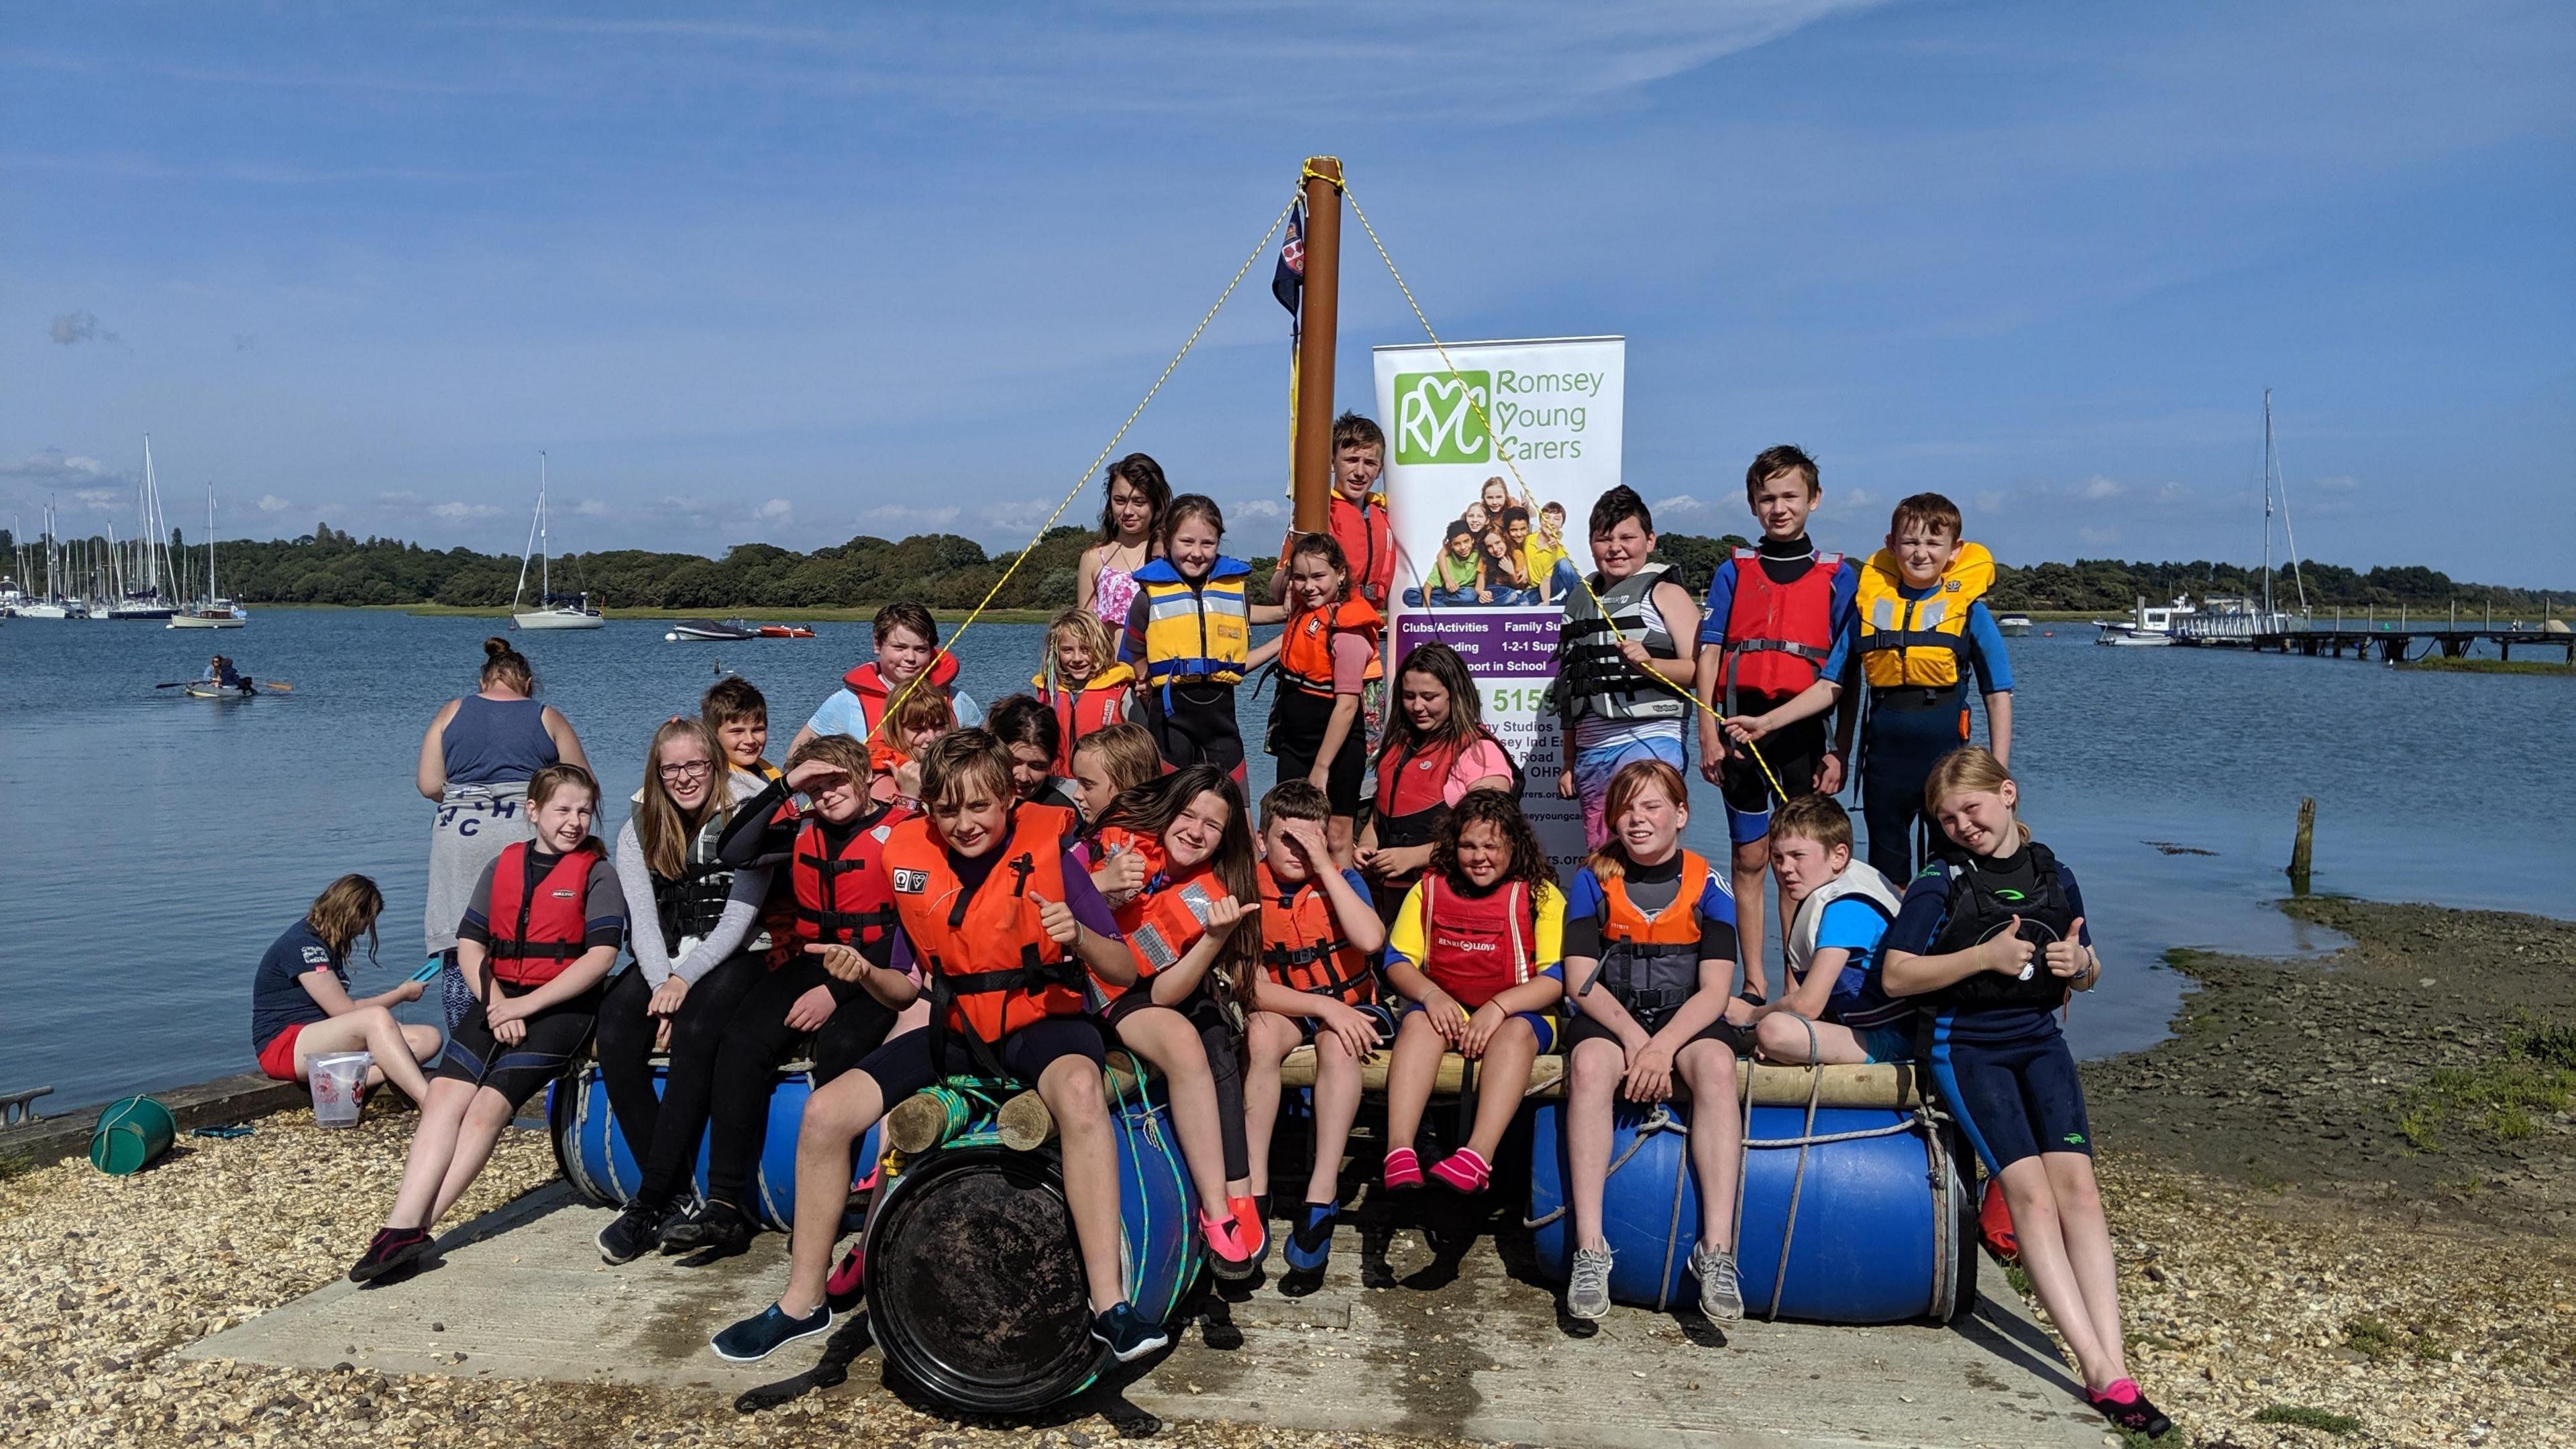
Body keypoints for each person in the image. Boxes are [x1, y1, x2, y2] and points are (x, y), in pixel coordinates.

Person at [709, 730, 1167, 1364]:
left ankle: (1109, 1306)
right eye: (947, 810)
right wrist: (864, 974)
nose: (964, 823)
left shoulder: (1054, 856)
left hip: (1042, 1025)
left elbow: (1122, 969)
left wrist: (1080, 938)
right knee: (824, 1114)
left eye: (978, 806)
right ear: (928, 809)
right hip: (956, 1028)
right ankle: (802, 1301)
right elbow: (904, 991)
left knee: (1081, 1092)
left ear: (1007, 798)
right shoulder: (910, 860)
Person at [1880, 747, 2168, 1439]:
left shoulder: (2054, 873)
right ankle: (2098, 1371)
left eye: (1972, 810)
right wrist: (1982, 956)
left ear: (2007, 795)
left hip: (2040, 1042)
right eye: (1947, 819)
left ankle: (2115, 1357)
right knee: (2032, 1195)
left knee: (2081, 1192)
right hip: (1967, 1048)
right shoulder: (1939, 881)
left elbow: (2088, 965)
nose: (1962, 826)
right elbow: (1893, 976)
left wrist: (2083, 967)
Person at [350, 764, 623, 1285]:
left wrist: (525, 1007)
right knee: (444, 1100)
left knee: (485, 1110)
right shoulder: (504, 865)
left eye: (584, 811)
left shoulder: (598, 873)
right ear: (534, 811)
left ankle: (419, 1227)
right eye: (563, 810)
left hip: (561, 1008)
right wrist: (497, 1001)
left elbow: (601, 957)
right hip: (497, 997)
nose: (574, 821)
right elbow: (472, 943)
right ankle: (400, 1226)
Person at [671, 734, 916, 1261]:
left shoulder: (901, 833)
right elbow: (734, 848)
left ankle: (838, 1204)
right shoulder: (801, 828)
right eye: (817, 787)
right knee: (741, 1042)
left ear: (866, 777)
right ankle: (725, 1205)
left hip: (878, 968)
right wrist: (787, 786)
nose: (828, 796)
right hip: (812, 961)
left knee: (842, 1048)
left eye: (837, 782)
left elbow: (907, 928)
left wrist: (837, 989)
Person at [1553, 760, 1747, 1320]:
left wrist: (1663, 1048)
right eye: (1626, 809)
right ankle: (1589, 1250)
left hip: (1685, 1017)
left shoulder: (1710, 885)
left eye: (1652, 806)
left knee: (1713, 1066)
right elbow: (1579, 982)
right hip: (1612, 1016)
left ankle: (1716, 1252)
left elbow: (1714, 991)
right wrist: (1638, 1039)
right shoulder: (1592, 880)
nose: (1637, 820)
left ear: (1681, 814)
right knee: (1589, 1067)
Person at [593, 720, 777, 1263]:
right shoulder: (638, 825)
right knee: (618, 1028)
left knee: (698, 1026)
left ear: (714, 764)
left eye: (695, 765)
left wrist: (684, 984)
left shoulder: (748, 809)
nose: (683, 778)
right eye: (671, 768)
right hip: (665, 957)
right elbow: (644, 923)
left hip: (739, 953)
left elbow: (740, 919)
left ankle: (648, 1201)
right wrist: (659, 986)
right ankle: (673, 1195)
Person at [1086, 766, 1266, 1276]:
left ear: (1225, 837)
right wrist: (1102, 883)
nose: (1195, 831)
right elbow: (1057, 898)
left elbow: (1163, 993)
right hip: (1079, 988)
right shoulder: (1118, 847)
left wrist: (1212, 939)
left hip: (1136, 997)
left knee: (1199, 1036)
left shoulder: (1213, 892)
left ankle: (1219, 1211)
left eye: (1212, 825)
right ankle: (1228, 1200)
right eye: (1188, 815)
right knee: (1198, 1035)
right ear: (1167, 815)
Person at [1694, 445, 1859, 993]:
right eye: (1767, 498)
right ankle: (1754, 982)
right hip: (1739, 729)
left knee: (1798, 861)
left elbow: (1847, 677)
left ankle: (1796, 981)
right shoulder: (1732, 571)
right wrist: (1707, 735)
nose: (1779, 508)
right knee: (1750, 857)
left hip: (1806, 734)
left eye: (1790, 496)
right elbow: (1710, 655)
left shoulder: (1839, 576)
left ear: (1814, 499)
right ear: (1752, 504)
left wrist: (1841, 751)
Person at [1378, 790, 1565, 1195]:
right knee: (1418, 1026)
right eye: (1467, 846)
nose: (1479, 857)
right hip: (1446, 1010)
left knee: (1514, 1034)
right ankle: (1399, 1150)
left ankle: (1477, 1156)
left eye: (1491, 846)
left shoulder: (1541, 896)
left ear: (1514, 846)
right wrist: (1431, 996)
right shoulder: (1427, 891)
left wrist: (1499, 1007)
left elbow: (1557, 978)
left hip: (1521, 1017)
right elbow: (1396, 960)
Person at [1240, 781, 1387, 1274]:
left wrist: (1327, 866)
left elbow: (1369, 940)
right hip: (1291, 1008)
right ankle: (1253, 1190)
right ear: (1261, 840)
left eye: (1312, 841)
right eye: (1288, 840)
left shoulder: (1342, 879)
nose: (1300, 852)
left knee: (1341, 1045)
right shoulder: (1244, 888)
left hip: (1352, 1008)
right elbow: (1251, 988)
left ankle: (1322, 1194)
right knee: (1258, 1033)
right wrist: (1322, 1008)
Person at [417, 637, 590, 1030]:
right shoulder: (547, 716)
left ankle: (467, 1036)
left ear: (483, 682)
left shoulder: (451, 711)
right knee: (529, 939)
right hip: (519, 832)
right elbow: (582, 784)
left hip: (459, 836)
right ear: (528, 684)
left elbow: (429, 784)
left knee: (462, 940)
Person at [1848, 493, 2012, 883]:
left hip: (1949, 765)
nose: (1921, 553)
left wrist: (1998, 770)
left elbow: (1998, 694)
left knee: (1952, 867)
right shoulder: (1868, 608)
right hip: (1885, 766)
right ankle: (1894, 942)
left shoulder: (1971, 611)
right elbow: (1830, 687)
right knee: (1888, 872)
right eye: (1911, 542)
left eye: (1933, 543)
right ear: (1891, 545)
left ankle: (1951, 940)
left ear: (1954, 551)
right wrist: (1769, 721)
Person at [1551, 486, 1703, 850]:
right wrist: (1569, 760)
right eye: (1604, 539)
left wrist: (1651, 665)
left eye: (1627, 537)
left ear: (1649, 541)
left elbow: (1700, 672)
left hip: (1651, 740)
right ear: (1590, 545)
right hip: (1592, 752)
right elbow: (1571, 687)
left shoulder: (1666, 594)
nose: (1615, 547)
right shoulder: (1579, 600)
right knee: (1603, 854)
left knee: (1645, 846)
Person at [1120, 494, 1285, 782]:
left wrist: (1284, 629)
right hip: (1170, 722)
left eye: (1207, 544)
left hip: (1222, 724)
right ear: (1169, 539)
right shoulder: (1147, 599)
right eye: (1187, 542)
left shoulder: (1234, 593)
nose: (1197, 553)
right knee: (1171, 802)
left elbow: (1240, 655)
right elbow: (1135, 647)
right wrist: (1144, 677)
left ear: (1218, 543)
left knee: (1235, 803)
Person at [1357, 642, 1515, 928]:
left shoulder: (1481, 753)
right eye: (1409, 696)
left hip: (1450, 895)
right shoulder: (1397, 747)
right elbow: (1378, 817)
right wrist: (1367, 847)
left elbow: (1491, 839)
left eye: (1430, 697)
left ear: (1454, 695)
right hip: (1394, 896)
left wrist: (1413, 857)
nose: (1418, 706)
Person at [250, 874, 442, 1104]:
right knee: (377, 1019)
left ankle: (340, 1085)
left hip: (319, 1036)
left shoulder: (325, 942)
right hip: (283, 1045)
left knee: (428, 1039)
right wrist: (401, 994)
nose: (363, 931)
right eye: (366, 921)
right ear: (353, 913)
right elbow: (343, 1010)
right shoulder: (304, 946)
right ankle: (427, 1100)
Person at [1750, 794, 1911, 1067]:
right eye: (1777, 857)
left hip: (1895, 1038)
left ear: (1839, 856)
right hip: (1858, 1026)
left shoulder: (1846, 910)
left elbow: (1808, 1005)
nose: (1784, 868)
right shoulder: (1829, 893)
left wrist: (1752, 1014)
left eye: (1797, 856)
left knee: (1772, 1030)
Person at [1266, 533, 1381, 865]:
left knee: (1337, 838)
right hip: (1294, 742)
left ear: (1340, 574)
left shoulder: (1347, 631)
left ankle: (1347, 909)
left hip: (1337, 747)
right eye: (1300, 578)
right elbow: (1277, 593)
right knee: (1287, 828)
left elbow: (1346, 706)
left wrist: (1321, 768)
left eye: (1318, 577)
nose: (1308, 586)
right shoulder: (1302, 612)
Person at [792, 601, 981, 755]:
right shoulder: (847, 702)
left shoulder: (957, 701)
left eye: (921, 649)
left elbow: (987, 750)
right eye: (899, 648)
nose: (910, 658)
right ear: (877, 644)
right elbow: (796, 753)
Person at [1271, 413, 1395, 611]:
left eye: (1370, 463)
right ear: (1331, 462)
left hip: (1372, 622)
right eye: (1351, 460)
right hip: (1326, 623)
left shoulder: (1385, 512)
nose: (1360, 472)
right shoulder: (1316, 513)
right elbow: (1276, 590)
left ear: (1380, 470)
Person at [1034, 608, 1134, 776]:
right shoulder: (1048, 692)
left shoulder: (1122, 692)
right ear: (1056, 652)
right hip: (1058, 783)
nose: (1078, 658)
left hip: (1107, 783)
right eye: (1067, 650)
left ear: (1100, 647)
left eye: (1086, 649)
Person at [1077, 453, 1169, 632]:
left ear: (1156, 503)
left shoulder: (1168, 555)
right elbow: (1083, 630)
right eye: (1120, 501)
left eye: (1139, 502)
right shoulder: (1093, 558)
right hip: (1107, 660)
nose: (1128, 511)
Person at [987, 693, 1085, 816]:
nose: (1023, 777)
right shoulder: (967, 793)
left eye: (1038, 766)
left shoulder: (1076, 804)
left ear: (1052, 761)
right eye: (1014, 762)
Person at [1068, 721, 1161, 827]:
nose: (1076, 795)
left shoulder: (1136, 842)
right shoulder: (1089, 831)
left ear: (1129, 786)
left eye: (1087, 785)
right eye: (1078, 782)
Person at [703, 676, 784, 794]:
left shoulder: (766, 771)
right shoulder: (716, 781)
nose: (750, 740)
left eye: (757, 730)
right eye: (737, 731)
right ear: (713, 735)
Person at [1408, 520, 1484, 608]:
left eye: (1466, 541)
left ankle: (1439, 606)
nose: (1463, 547)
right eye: (1457, 544)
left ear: (1473, 540)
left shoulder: (1479, 557)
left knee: (1469, 595)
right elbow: (1428, 585)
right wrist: (1426, 606)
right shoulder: (1447, 561)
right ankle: (1442, 608)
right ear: (1451, 546)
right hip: (1444, 592)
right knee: (1409, 595)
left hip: (1464, 593)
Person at [1477, 526, 1537, 605]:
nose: (1495, 549)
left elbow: (1518, 586)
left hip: (1514, 591)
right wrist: (1481, 593)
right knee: (1512, 595)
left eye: (1498, 542)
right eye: (1489, 547)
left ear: (1505, 539)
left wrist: (1511, 572)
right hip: (1494, 591)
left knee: (1522, 600)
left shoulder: (1517, 554)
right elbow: (1478, 587)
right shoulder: (1485, 559)